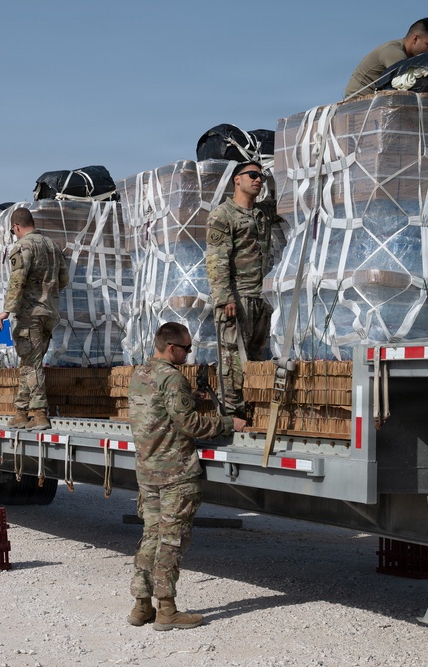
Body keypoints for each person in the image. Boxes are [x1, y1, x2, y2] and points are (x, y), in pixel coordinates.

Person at [127, 322, 247, 631]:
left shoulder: (140, 375)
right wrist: (228, 424)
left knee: (151, 537)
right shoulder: (172, 378)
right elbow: (190, 425)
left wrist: (187, 397)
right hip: (175, 475)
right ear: (171, 348)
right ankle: (167, 611)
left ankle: (141, 606)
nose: (189, 355)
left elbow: (159, 412)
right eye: (186, 349)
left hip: (148, 472)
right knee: (171, 541)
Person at [205, 161, 284, 419]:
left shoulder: (262, 213)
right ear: (236, 180)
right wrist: (224, 298)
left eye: (261, 176)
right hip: (236, 299)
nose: (258, 180)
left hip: (261, 298)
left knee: (257, 357)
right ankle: (232, 415)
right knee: (231, 361)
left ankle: (253, 410)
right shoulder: (223, 215)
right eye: (252, 175)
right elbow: (216, 261)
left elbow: (288, 197)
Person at [0, 208, 69, 431]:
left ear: (16, 227)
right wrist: (48, 293)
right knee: (28, 362)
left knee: (32, 363)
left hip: (31, 313)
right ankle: (20, 411)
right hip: (49, 312)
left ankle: (39, 413)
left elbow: (17, 280)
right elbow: (63, 278)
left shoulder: (22, 246)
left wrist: (6, 311)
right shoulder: (53, 246)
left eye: (13, 231)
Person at [344, 18, 428, 100]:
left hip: (373, 104)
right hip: (358, 104)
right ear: (415, 39)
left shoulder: (408, 56)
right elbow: (407, 84)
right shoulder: (393, 52)